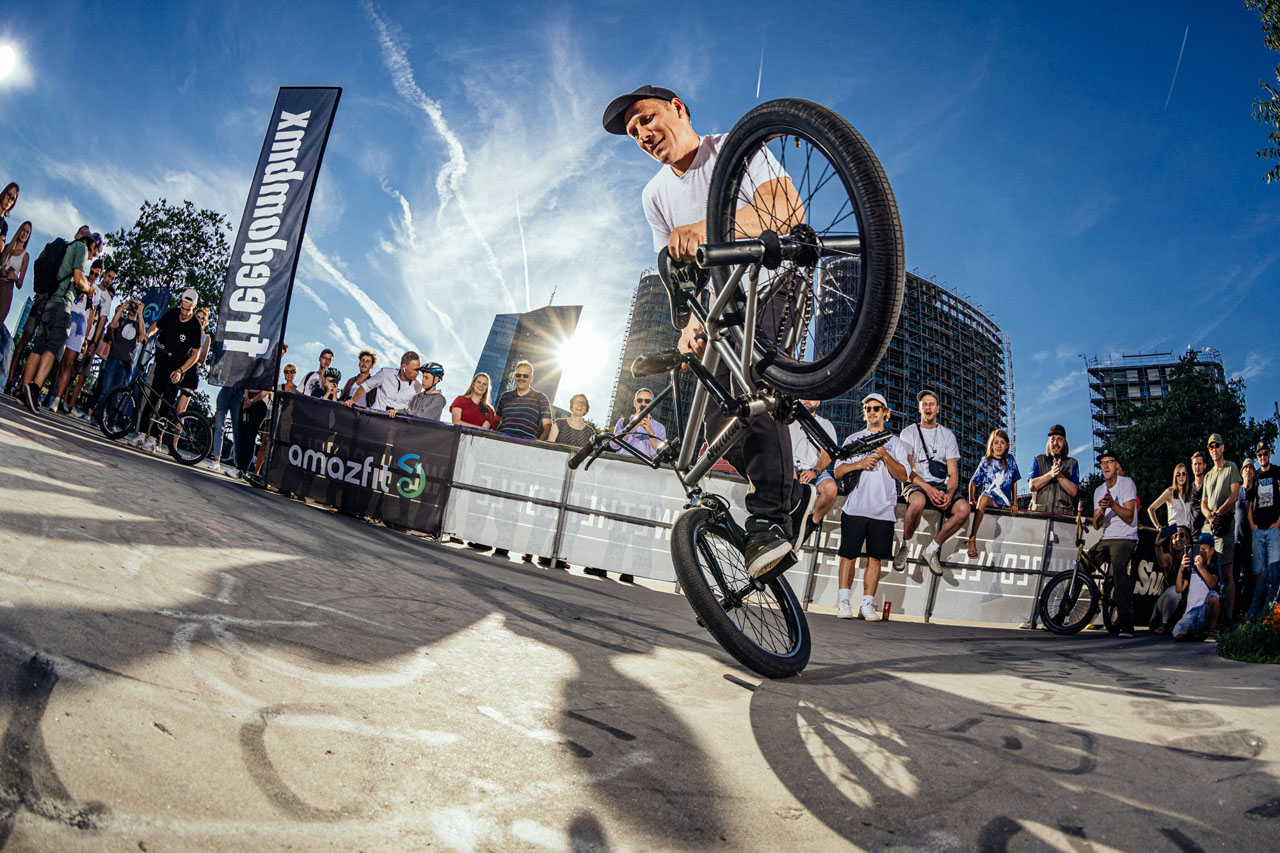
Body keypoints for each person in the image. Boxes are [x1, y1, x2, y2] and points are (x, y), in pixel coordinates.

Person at [604, 84, 807, 579]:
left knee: (751, 389)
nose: (642, 134)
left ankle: (770, 519)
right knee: (719, 424)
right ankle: (793, 494)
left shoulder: (732, 148)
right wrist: (693, 322)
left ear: (678, 109)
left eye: (647, 119)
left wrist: (710, 227)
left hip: (775, 284)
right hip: (723, 302)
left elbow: (787, 208)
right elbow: (682, 271)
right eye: (633, 133)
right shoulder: (654, 195)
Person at [831, 393, 910, 620]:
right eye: (868, 408)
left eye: (876, 408)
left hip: (884, 510)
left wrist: (885, 455)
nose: (872, 412)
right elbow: (838, 471)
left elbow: (903, 475)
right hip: (855, 507)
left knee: (875, 558)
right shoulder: (853, 439)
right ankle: (844, 603)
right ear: (864, 412)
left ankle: (867, 604)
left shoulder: (895, 443)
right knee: (848, 555)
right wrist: (860, 463)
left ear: (885, 412)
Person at [18, 227, 99, 415]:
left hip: (47, 302)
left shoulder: (66, 248)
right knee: (55, 346)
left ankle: (23, 391)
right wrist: (88, 289)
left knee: (38, 347)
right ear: (91, 243)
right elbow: (78, 278)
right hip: (61, 304)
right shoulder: (81, 248)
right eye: (94, 252)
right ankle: (35, 388)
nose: (91, 257)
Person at [895, 390, 972, 575]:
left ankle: (931, 550)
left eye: (931, 404)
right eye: (924, 404)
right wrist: (928, 489)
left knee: (963, 509)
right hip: (917, 482)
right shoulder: (908, 433)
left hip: (941, 484)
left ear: (938, 409)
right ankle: (906, 545)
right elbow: (908, 471)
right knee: (918, 502)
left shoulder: (947, 435)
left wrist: (950, 493)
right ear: (919, 408)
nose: (928, 407)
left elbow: (952, 472)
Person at [129, 288, 203, 451]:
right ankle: (141, 433)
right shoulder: (172, 314)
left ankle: (154, 438)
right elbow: (156, 326)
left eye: (188, 310)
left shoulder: (195, 326)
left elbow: (196, 355)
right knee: (151, 399)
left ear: (193, 307)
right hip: (162, 362)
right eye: (182, 308)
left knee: (165, 405)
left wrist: (181, 371)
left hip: (176, 369)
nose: (184, 312)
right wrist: (148, 334)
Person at [1092, 449, 1140, 638]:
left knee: (1119, 568)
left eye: (1109, 462)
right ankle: (1064, 611)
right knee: (1083, 564)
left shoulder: (1127, 483)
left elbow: (1129, 517)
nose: (1105, 466)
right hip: (1106, 538)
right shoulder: (1098, 490)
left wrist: (1112, 504)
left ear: (1116, 465)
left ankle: (1126, 623)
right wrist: (1102, 511)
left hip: (1126, 537)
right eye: (1102, 463)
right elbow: (1096, 525)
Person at [1200, 433, 1242, 631]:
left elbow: (1234, 495)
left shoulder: (1231, 467)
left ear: (1223, 447)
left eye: (1217, 446)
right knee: (1202, 567)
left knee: (1227, 572)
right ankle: (1207, 616)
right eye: (1211, 447)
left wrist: (1219, 513)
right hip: (1209, 526)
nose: (1214, 449)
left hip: (1225, 524)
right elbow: (1203, 502)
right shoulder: (1208, 475)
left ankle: (1229, 618)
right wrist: (1210, 516)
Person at [48, 263, 97, 412]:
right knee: (57, 358)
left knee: (68, 364)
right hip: (69, 315)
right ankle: (47, 394)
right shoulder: (79, 280)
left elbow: (91, 317)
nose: (93, 276)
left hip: (81, 324)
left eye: (96, 274)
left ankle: (57, 399)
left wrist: (86, 339)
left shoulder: (96, 293)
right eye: (92, 272)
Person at [789, 399, 839, 544]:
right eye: (804, 397)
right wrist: (790, 468)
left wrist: (815, 471)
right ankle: (788, 522)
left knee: (830, 489)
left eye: (811, 398)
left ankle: (811, 524)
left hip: (814, 467)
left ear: (818, 402)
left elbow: (827, 454)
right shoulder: (789, 420)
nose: (807, 401)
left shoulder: (825, 424)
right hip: (791, 465)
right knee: (792, 483)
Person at [965, 428, 1020, 559]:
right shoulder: (986, 461)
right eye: (996, 442)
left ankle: (996, 560)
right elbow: (973, 483)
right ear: (991, 445)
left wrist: (1015, 503)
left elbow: (1014, 482)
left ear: (1007, 445)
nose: (999, 446)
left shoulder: (1010, 460)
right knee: (983, 498)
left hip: (1005, 503)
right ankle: (972, 539)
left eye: (1002, 442)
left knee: (998, 542)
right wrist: (972, 499)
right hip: (990, 499)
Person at [89, 296, 147, 421]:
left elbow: (143, 336)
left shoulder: (137, 325)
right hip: (113, 358)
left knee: (118, 394)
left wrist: (140, 314)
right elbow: (112, 325)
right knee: (105, 389)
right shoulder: (121, 320)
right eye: (132, 304)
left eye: (135, 305)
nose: (133, 307)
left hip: (127, 362)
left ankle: (111, 421)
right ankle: (98, 417)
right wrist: (122, 308)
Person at [1248, 443, 1280, 621]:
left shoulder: (1277, 472)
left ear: (1269, 454)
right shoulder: (1255, 477)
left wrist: (1278, 522)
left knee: (1274, 571)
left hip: (1274, 529)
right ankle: (1257, 615)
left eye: (1265, 454)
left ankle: (1272, 612)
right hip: (1258, 530)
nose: (1262, 457)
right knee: (1259, 572)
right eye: (1259, 455)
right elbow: (1250, 504)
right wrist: (1252, 525)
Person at [1172, 533, 1221, 642]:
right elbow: (1179, 589)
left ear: (1211, 551)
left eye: (1204, 549)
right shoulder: (1192, 569)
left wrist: (1201, 567)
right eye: (1199, 549)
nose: (1201, 552)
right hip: (1192, 613)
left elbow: (1212, 583)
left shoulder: (1213, 567)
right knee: (1177, 633)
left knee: (1213, 596)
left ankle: (1211, 630)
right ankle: (1197, 635)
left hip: (1205, 610)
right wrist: (1181, 569)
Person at [344, 350, 422, 417]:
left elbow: (412, 409)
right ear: (404, 367)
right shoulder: (385, 373)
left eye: (418, 370)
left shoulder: (417, 386)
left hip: (396, 425)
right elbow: (366, 386)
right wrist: (353, 399)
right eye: (415, 370)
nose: (417, 373)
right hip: (375, 418)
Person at [1026, 424, 1079, 515]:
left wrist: (1059, 476)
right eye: (1052, 439)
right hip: (1039, 516)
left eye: (1059, 439)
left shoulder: (1072, 463)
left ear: (1065, 442)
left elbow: (1074, 491)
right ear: (1048, 442)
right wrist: (1051, 474)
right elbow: (1032, 486)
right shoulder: (1038, 460)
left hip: (1063, 517)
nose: (1055, 443)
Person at [494, 361, 552, 440]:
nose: (521, 378)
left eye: (525, 376)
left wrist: (537, 444)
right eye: (518, 375)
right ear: (514, 376)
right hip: (501, 441)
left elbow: (548, 426)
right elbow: (496, 421)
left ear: (531, 378)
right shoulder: (505, 396)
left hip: (525, 444)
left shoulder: (541, 398)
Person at [1151, 525, 1192, 634]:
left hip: (1186, 603)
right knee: (1175, 592)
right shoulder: (1170, 558)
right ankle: (1164, 624)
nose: (1178, 539)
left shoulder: (1194, 558)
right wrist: (1158, 545)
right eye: (1174, 536)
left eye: (1181, 535)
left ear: (1188, 540)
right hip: (1168, 602)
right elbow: (1162, 560)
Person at [175, 306, 211, 415]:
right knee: (165, 401)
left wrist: (193, 355)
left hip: (191, 371)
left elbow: (202, 359)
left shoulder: (206, 337)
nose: (200, 320)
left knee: (181, 411)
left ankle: (178, 426)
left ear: (205, 322)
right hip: (177, 366)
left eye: (202, 318)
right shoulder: (186, 331)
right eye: (198, 317)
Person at [613, 387, 666, 459]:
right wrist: (631, 426)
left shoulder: (659, 427)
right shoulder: (623, 422)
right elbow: (613, 445)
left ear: (652, 404)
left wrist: (651, 433)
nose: (643, 404)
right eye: (639, 400)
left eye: (647, 401)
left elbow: (658, 455)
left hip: (643, 464)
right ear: (635, 403)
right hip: (621, 461)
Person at [1148, 463, 1193, 536]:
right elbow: (1151, 509)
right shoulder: (1170, 492)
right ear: (1175, 476)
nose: (1181, 477)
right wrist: (1158, 527)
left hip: (1186, 531)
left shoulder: (1189, 494)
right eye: (1178, 474)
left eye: (1183, 474)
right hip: (1174, 530)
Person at [0, 219, 31, 326]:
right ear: (19, 231)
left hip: (7, 291)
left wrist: (15, 277)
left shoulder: (25, 256)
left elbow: (20, 284)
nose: (24, 233)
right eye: (23, 230)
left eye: (27, 232)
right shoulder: (7, 247)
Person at [1188, 450, 1209, 536]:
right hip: (1193, 536)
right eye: (1195, 464)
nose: (1197, 467)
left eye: (1200, 464)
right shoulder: (1188, 489)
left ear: (1204, 465)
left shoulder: (1209, 486)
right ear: (1192, 466)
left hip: (1207, 535)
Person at [0, 182, 18, 256]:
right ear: (4, 193)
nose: (9, 200)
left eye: (12, 199)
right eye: (9, 195)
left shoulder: (4, 226)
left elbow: (1, 248)